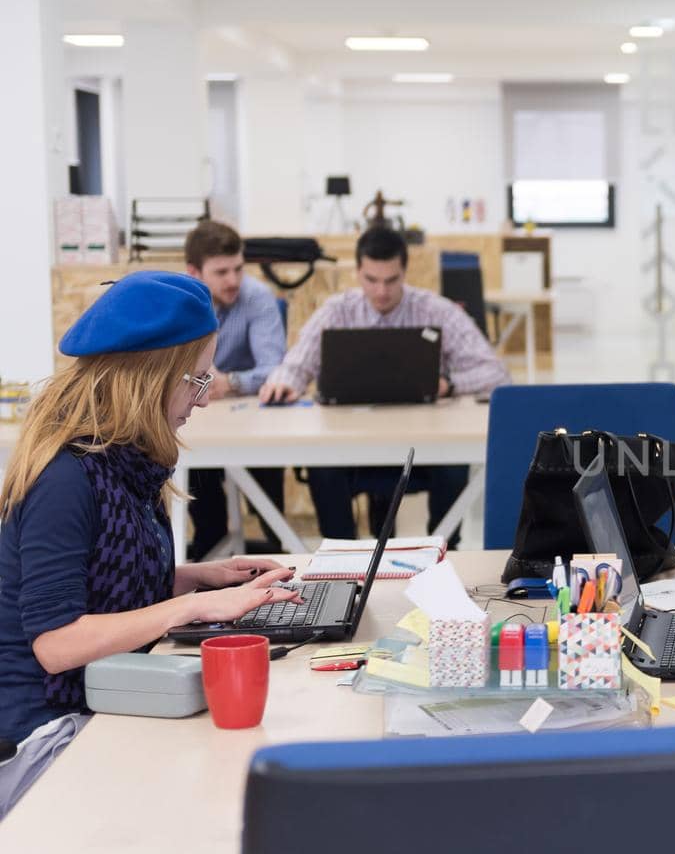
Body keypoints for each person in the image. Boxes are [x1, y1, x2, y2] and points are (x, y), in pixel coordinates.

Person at [0, 272, 300, 819]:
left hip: (100, 696)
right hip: (40, 733)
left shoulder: (130, 460)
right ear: (152, 378)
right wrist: (190, 606)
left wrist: (198, 577)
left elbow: (101, 581)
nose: (203, 402)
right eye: (199, 383)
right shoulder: (65, 479)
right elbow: (57, 642)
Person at [258, 225, 509, 543]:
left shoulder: (435, 310)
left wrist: (449, 383)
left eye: (391, 280)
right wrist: (283, 382)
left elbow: (496, 373)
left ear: (405, 271)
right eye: (371, 280)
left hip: (424, 443)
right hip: (352, 444)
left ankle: (443, 548)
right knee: (322, 464)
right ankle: (340, 552)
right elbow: (296, 364)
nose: (381, 291)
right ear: (358, 272)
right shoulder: (338, 311)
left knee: (453, 463)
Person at [182, 219, 289, 560]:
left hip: (251, 423)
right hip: (195, 420)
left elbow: (273, 369)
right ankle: (209, 551)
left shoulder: (257, 298)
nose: (233, 280)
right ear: (194, 272)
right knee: (196, 475)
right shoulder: (178, 304)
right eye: (221, 272)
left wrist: (227, 382)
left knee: (268, 480)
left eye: (238, 269)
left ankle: (279, 549)